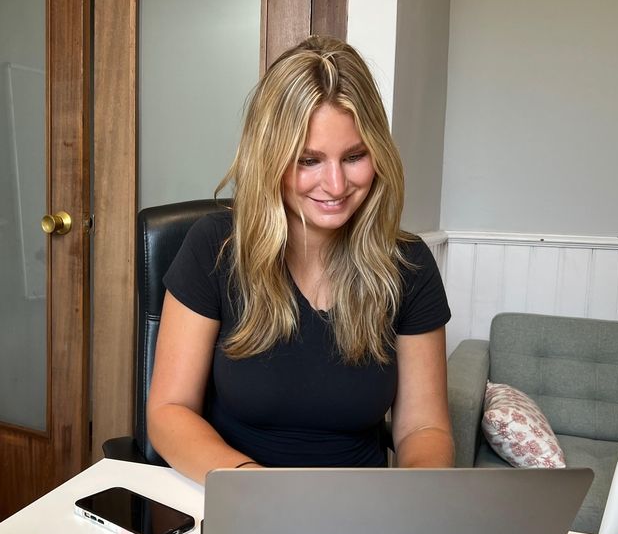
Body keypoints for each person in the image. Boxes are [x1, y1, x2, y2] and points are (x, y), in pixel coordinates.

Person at [147, 36, 454, 483]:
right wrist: (256, 489)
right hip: (238, 497)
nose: (335, 184)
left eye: (354, 156)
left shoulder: (410, 267)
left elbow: (423, 427)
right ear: (269, 159)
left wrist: (415, 504)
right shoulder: (214, 247)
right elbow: (169, 411)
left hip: (365, 521)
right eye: (309, 160)